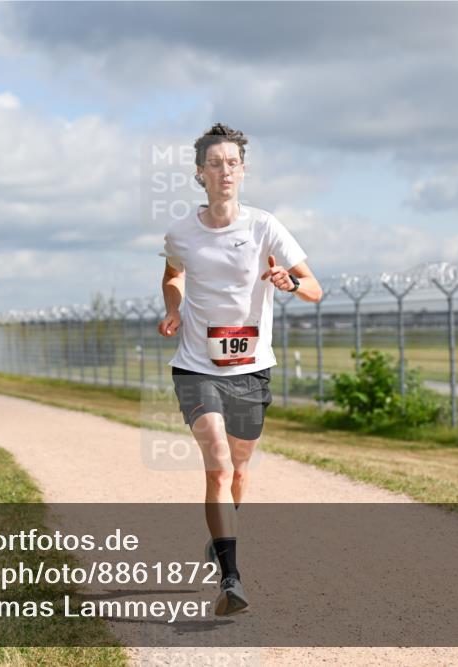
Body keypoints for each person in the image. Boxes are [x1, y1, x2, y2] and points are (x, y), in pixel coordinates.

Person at [158, 123, 323, 616]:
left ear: (243, 170)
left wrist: (288, 282)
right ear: (199, 174)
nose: (225, 171)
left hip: (251, 368)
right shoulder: (181, 232)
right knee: (219, 462)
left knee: (240, 470)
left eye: (233, 162)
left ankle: (221, 540)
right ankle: (231, 578)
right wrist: (173, 307)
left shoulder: (265, 226)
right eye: (215, 163)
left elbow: (314, 287)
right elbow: (172, 273)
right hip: (195, 365)